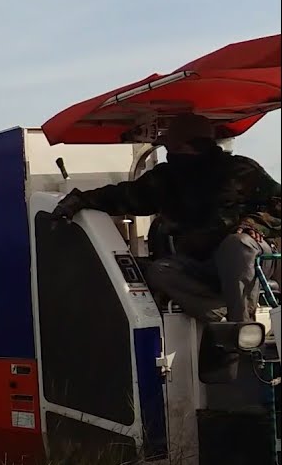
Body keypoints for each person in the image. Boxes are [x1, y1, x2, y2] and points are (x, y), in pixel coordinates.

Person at [51, 113, 280, 323]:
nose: (171, 153)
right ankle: (218, 316)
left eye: (174, 147)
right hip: (198, 267)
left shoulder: (240, 170)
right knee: (159, 270)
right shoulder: (166, 179)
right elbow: (122, 196)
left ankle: (243, 328)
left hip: (244, 260)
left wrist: (253, 224)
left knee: (237, 246)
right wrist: (80, 200)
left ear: (189, 146)